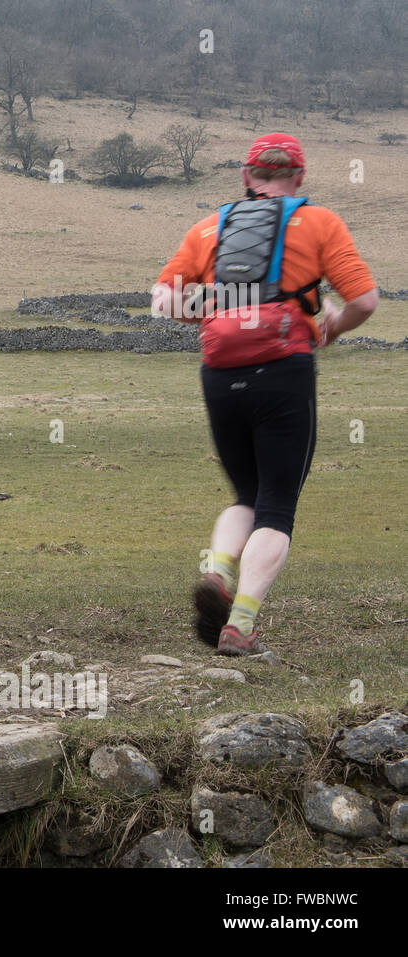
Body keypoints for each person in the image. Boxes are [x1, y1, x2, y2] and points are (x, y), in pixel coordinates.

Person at [151, 133, 378, 656]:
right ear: (298, 177)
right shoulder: (318, 222)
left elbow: (162, 300)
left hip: (219, 371)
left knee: (245, 496)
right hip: (283, 370)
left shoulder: (210, 227)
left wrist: (210, 312)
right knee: (276, 507)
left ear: (246, 176)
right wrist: (331, 327)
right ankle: (241, 626)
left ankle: (216, 572)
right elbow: (363, 300)